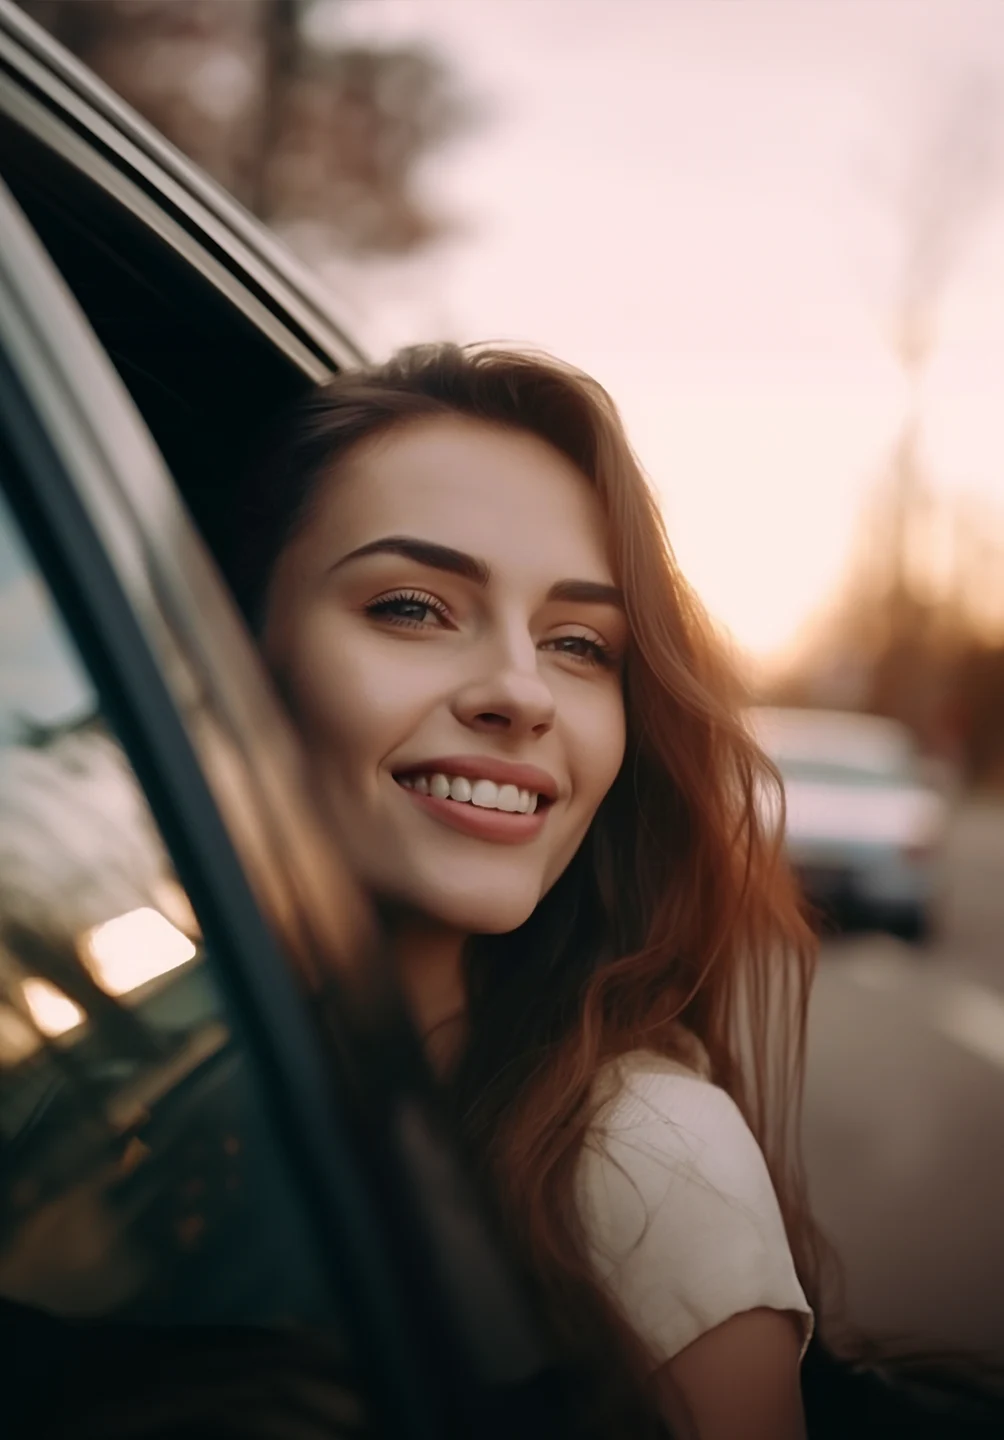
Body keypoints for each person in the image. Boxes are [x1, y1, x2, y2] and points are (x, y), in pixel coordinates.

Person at [220, 344, 1000, 1440]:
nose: (519, 692)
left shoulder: (637, 1161)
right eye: (412, 607)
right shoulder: (136, 1072)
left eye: (579, 643)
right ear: (228, 653)